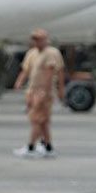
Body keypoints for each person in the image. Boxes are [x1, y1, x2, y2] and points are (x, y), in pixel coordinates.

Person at [13, 29, 65, 158]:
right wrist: (19, 82)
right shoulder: (32, 53)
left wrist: (46, 91)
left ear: (46, 39)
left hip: (43, 91)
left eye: (40, 39)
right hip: (32, 90)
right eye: (35, 39)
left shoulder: (51, 53)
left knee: (36, 119)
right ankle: (48, 147)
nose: (37, 42)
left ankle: (31, 146)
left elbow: (51, 73)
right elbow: (26, 70)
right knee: (43, 121)